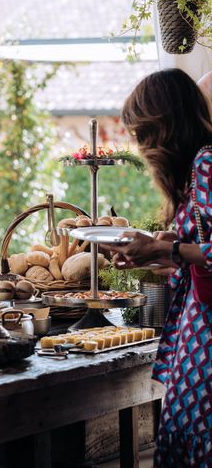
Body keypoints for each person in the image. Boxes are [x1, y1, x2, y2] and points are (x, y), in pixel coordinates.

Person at [102, 68, 212, 466]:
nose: (140, 145)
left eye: (141, 133)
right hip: (194, 327)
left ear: (162, 125)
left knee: (195, 436)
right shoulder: (194, 172)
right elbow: (200, 246)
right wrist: (158, 250)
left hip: (205, 337)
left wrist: (173, 250)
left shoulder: (206, 163)